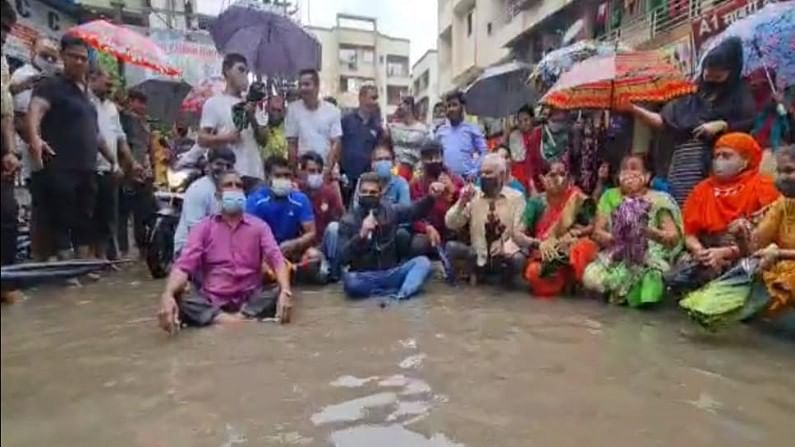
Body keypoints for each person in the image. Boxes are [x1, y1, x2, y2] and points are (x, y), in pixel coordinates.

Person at [157, 170, 292, 332]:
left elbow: (277, 260)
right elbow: (183, 266)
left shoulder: (259, 227)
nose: (234, 189)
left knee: (279, 289)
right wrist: (167, 294)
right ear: (218, 195)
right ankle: (233, 320)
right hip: (212, 300)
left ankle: (227, 320)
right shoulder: (203, 228)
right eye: (228, 185)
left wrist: (286, 291)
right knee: (180, 295)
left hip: (249, 301)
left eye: (239, 186)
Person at [630, 37, 755, 206]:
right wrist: (633, 109)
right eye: (708, 70)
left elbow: (748, 127)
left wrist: (723, 125)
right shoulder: (692, 94)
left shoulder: (741, 95)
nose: (710, 76)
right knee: (677, 213)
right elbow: (665, 122)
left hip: (714, 170)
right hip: (681, 166)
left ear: (731, 71)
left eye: (719, 72)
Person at [26, 34, 116, 260]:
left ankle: (82, 264)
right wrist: (35, 138)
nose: (78, 62)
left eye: (83, 58)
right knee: (61, 218)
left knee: (85, 219)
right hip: (59, 165)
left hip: (86, 167)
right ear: (63, 57)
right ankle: (65, 268)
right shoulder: (51, 85)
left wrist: (113, 160)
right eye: (73, 57)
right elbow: (35, 111)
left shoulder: (86, 96)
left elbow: (95, 134)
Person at [666, 133, 779, 293]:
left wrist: (727, 252)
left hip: (747, 252)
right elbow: (689, 232)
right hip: (708, 252)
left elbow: (769, 238)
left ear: (745, 160)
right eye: (716, 156)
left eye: (726, 156)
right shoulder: (702, 189)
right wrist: (700, 251)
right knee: (677, 272)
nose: (719, 162)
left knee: (752, 270)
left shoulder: (763, 187)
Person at [582, 154, 683, 307]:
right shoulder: (610, 196)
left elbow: (673, 237)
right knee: (591, 277)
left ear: (647, 176)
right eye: (624, 169)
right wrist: (619, 239)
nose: (628, 173)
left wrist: (646, 232)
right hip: (617, 254)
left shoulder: (659, 199)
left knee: (650, 285)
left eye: (634, 169)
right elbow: (597, 232)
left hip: (650, 256)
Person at [338, 172, 444, 300]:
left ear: (380, 193)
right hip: (364, 276)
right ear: (358, 194)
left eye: (373, 192)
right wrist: (361, 235)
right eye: (364, 192)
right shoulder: (348, 220)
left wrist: (431, 197)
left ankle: (401, 295)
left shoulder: (391, 211)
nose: (368, 195)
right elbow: (342, 258)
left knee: (423, 263)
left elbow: (415, 210)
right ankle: (392, 292)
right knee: (351, 284)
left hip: (390, 273)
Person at [515, 161, 597, 297]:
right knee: (534, 272)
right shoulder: (536, 202)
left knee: (584, 247)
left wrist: (575, 233)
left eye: (562, 174)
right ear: (542, 179)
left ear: (568, 178)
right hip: (546, 255)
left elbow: (592, 226)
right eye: (552, 175)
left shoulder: (576, 198)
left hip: (569, 252)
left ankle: (573, 285)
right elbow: (518, 233)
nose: (558, 179)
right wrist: (539, 244)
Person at [445, 153, 527, 286]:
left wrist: (505, 246)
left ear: (501, 174)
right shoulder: (473, 195)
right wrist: (462, 202)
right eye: (481, 173)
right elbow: (450, 223)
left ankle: (506, 288)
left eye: (488, 173)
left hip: (503, 256)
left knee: (518, 259)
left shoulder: (517, 198)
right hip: (477, 255)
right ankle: (458, 284)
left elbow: (520, 231)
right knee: (451, 247)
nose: (483, 177)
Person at [246, 156, 323, 282]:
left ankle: (290, 272)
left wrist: (295, 244)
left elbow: (311, 232)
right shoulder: (255, 201)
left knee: (314, 257)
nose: (283, 179)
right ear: (267, 177)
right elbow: (248, 234)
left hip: (292, 250)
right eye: (278, 175)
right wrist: (270, 251)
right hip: (264, 253)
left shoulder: (300, 199)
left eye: (287, 175)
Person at [198, 53, 265, 192]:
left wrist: (252, 117)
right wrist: (225, 138)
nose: (244, 75)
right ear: (227, 71)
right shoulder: (214, 103)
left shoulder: (252, 104)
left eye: (247, 71)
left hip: (255, 173)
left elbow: (263, 140)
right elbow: (202, 139)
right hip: (229, 175)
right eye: (240, 69)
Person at [89, 66, 135, 261]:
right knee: (89, 216)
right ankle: (89, 259)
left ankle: (102, 258)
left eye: (111, 85)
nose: (109, 88)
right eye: (107, 83)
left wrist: (131, 163)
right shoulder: (85, 101)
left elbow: (120, 138)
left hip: (109, 169)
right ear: (93, 78)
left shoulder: (111, 107)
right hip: (89, 167)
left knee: (107, 217)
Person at [744, 144, 795, 318]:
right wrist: (742, 234)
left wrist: (780, 254)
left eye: (789, 171)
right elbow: (757, 245)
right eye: (779, 172)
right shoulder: (783, 203)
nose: (782, 178)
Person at [172, 147, 236, 256]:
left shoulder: (231, 190)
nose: (224, 169)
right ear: (208, 165)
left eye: (228, 166)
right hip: (189, 248)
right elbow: (195, 231)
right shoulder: (199, 189)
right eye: (219, 164)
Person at [408, 140, 464, 257]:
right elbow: (413, 215)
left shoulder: (455, 179)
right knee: (418, 244)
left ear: (442, 157)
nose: (433, 161)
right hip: (428, 231)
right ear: (422, 160)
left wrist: (453, 190)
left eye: (436, 156)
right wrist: (426, 228)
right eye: (428, 157)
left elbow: (466, 208)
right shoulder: (416, 183)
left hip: (453, 231)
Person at [118, 89, 156, 259]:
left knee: (143, 214)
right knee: (123, 214)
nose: (142, 106)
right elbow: (122, 144)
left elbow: (148, 149)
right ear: (130, 101)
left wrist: (151, 167)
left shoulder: (145, 124)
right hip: (127, 172)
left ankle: (142, 250)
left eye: (144, 103)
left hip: (144, 173)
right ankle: (123, 250)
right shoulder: (124, 119)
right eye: (138, 102)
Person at [298, 150, 344, 280]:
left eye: (319, 171)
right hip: (299, 248)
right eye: (311, 171)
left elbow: (340, 219)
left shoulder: (329, 193)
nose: (316, 175)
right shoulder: (294, 194)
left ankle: (334, 273)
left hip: (323, 246)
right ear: (302, 172)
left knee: (334, 228)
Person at [286, 68, 343, 174]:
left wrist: (327, 171)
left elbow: (336, 143)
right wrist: (295, 171)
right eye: (300, 85)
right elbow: (292, 144)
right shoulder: (293, 109)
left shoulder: (333, 111)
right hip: (303, 170)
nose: (303, 88)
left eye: (307, 84)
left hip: (327, 170)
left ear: (317, 86)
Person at [1, 0, 20, 303]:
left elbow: (5, 111)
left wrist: (9, 150)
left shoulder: (2, 62)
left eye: (6, 30)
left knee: (7, 214)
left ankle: (5, 283)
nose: (4, 35)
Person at [340, 85, 382, 202]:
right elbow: (338, 145)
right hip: (346, 178)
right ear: (361, 98)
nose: (374, 102)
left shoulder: (377, 127)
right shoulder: (346, 121)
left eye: (376, 99)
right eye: (372, 98)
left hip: (367, 180)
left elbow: (378, 151)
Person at [434, 91, 487, 179]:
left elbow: (484, 152)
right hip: (445, 180)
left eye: (454, 105)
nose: (451, 109)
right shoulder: (440, 131)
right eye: (448, 106)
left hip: (466, 180)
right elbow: (435, 154)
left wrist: (475, 171)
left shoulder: (472, 129)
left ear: (462, 107)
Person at [522, 108, 572, 193]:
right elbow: (530, 167)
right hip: (542, 190)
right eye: (556, 110)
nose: (559, 115)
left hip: (567, 189)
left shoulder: (573, 132)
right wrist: (533, 188)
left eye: (563, 111)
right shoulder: (536, 136)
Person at [387, 96, 429, 181]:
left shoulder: (423, 129)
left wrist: (418, 174)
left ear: (409, 105)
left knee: (415, 190)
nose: (398, 107)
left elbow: (426, 152)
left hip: (416, 170)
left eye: (401, 104)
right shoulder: (393, 128)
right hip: (396, 168)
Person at [506, 105, 535, 192]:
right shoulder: (514, 135)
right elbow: (517, 158)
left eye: (526, 120)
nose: (523, 124)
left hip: (535, 170)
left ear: (532, 119)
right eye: (520, 121)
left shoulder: (539, 132)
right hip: (520, 172)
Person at [261, 96, 288, 161]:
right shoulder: (260, 126)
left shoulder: (289, 130)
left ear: (284, 112)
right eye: (273, 109)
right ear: (266, 108)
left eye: (279, 110)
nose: (275, 113)